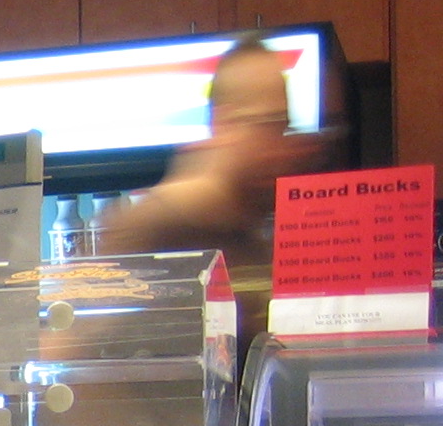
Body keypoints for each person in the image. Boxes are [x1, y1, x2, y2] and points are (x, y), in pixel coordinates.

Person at [100, 32, 327, 268]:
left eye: (284, 126)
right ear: (223, 122)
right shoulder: (152, 224)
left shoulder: (256, 218)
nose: (281, 144)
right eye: (268, 123)